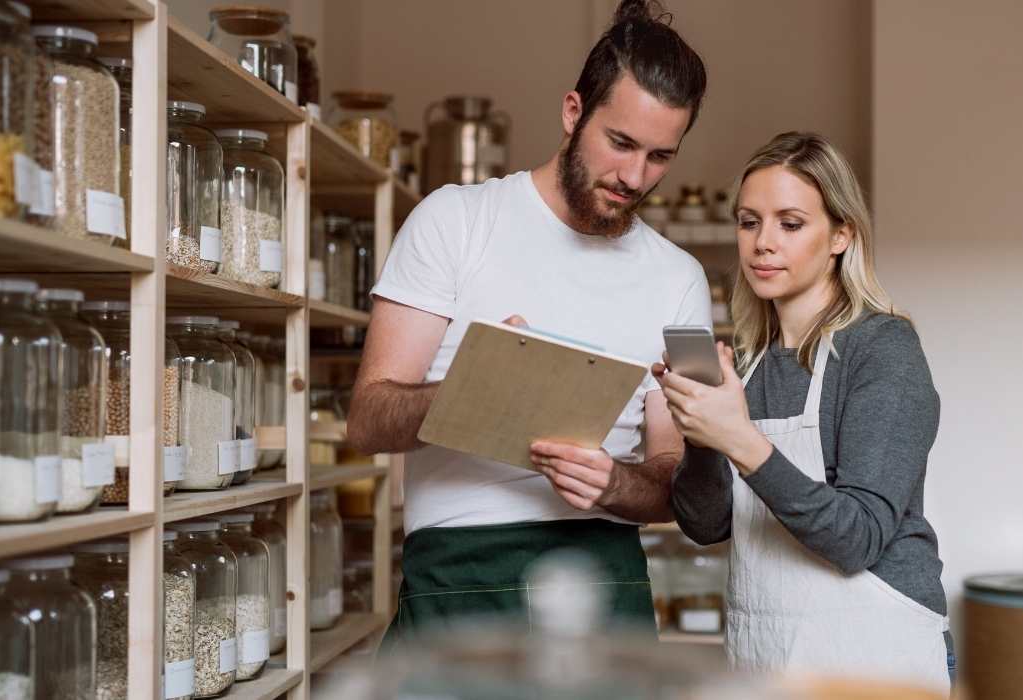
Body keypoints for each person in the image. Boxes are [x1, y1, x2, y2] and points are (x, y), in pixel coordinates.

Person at [348, 0, 710, 642]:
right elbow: (368, 420)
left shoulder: (681, 278)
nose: (634, 176)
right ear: (573, 112)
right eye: (620, 143)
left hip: (605, 574)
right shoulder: (453, 220)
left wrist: (615, 484)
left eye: (659, 156)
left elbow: (679, 482)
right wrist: (471, 387)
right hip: (460, 572)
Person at [658, 132, 952, 693]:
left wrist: (740, 439)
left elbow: (857, 537)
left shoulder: (883, 350)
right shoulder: (746, 364)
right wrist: (700, 429)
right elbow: (705, 525)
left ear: (841, 234)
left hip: (874, 658)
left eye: (790, 224)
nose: (763, 243)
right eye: (749, 222)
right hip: (765, 661)